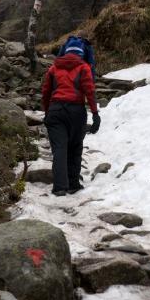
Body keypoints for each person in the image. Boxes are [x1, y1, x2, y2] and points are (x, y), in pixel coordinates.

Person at [42, 44, 101, 196]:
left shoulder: (53, 69)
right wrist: (95, 114)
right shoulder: (83, 68)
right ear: (80, 54)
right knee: (75, 148)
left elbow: (46, 92)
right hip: (77, 112)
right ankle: (73, 183)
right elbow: (90, 91)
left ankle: (60, 187)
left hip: (56, 111)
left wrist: (47, 112)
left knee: (60, 149)